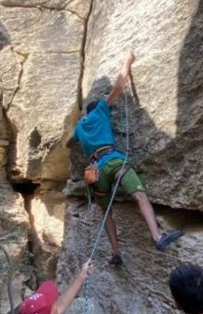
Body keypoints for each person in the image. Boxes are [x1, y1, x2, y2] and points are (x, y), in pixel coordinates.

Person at [67, 52, 183, 266]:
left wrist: (81, 138)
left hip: (95, 172)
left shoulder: (80, 127)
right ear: (99, 109)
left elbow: (69, 143)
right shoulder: (100, 111)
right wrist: (127, 62)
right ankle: (157, 237)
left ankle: (115, 253)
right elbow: (119, 87)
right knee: (139, 195)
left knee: (106, 212)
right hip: (113, 161)